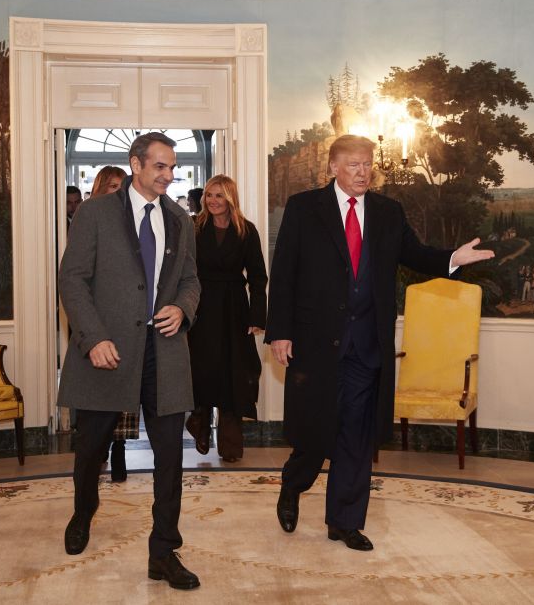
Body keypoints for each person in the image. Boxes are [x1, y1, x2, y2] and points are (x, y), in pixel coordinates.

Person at [265, 134, 493, 551]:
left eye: (368, 164)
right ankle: (292, 485)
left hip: (366, 346)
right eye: (353, 164)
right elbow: (283, 275)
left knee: (357, 435)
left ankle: (345, 522)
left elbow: (416, 254)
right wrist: (280, 331)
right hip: (316, 345)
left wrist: (452, 260)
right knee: (315, 436)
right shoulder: (304, 208)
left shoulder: (388, 212)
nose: (363, 172)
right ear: (333, 167)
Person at [57, 132, 201, 590]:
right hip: (108, 352)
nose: (169, 175)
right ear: (136, 164)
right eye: (160, 166)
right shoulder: (95, 213)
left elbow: (191, 280)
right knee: (91, 449)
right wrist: (93, 338)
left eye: (173, 166)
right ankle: (83, 512)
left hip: (164, 352)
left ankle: (164, 551)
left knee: (170, 457)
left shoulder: (180, 218)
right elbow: (72, 280)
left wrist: (182, 308)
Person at [185, 175, 268, 462]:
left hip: (235, 308)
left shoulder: (247, 230)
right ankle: (199, 421)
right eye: (209, 195)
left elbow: (258, 277)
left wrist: (258, 315)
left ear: (230, 198)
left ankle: (231, 444)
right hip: (201, 306)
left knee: (234, 373)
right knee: (203, 369)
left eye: (219, 195)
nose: (213, 201)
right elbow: (182, 270)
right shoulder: (194, 227)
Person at [88, 165, 134, 482]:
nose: (119, 193)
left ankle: (119, 450)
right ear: (101, 188)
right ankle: (97, 450)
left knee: (124, 391)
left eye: (123, 187)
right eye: (113, 186)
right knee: (99, 394)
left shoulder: (134, 223)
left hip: (128, 323)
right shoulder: (89, 220)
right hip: (96, 322)